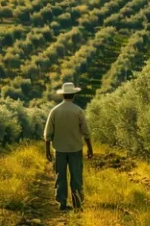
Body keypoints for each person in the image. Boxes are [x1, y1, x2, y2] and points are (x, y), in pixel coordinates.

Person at [43, 82, 94, 211]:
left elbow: (47, 133)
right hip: (75, 149)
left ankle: (62, 203)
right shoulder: (78, 111)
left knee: (60, 176)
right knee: (76, 176)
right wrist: (90, 148)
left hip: (59, 149)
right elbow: (86, 132)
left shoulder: (54, 111)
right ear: (74, 95)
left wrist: (47, 151)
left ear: (63, 95)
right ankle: (77, 202)